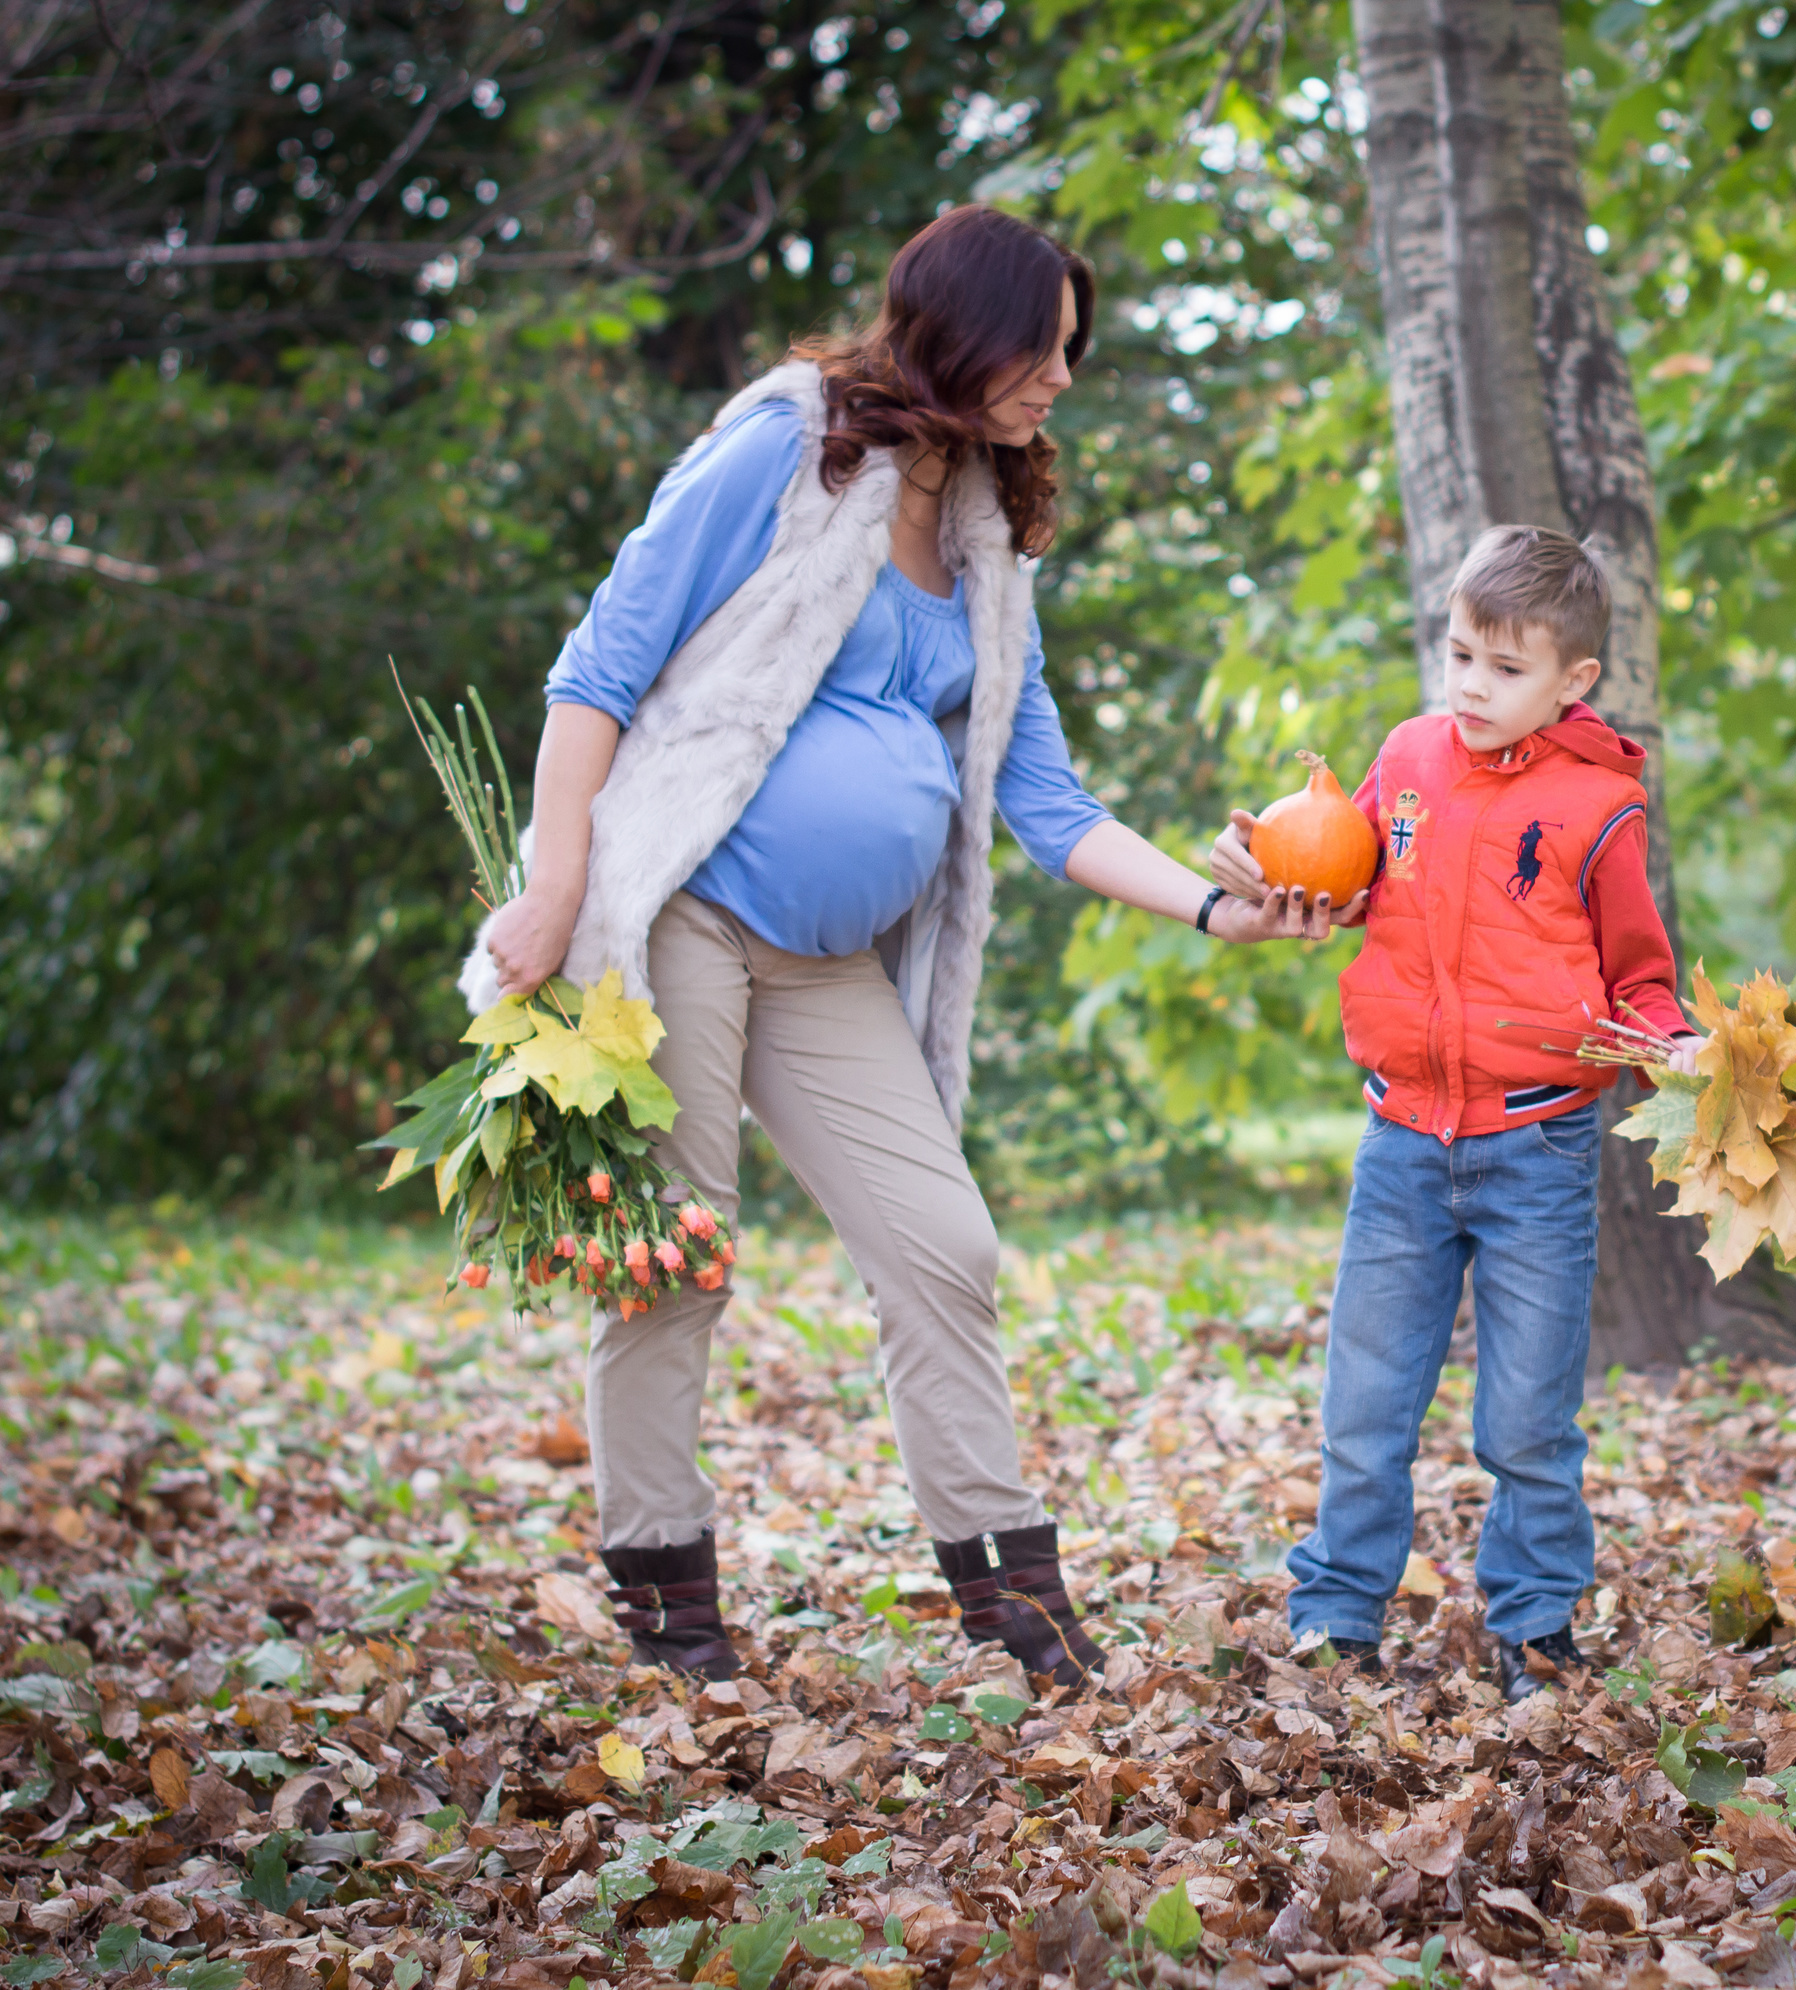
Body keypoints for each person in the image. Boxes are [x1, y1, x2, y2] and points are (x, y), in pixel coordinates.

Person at [466, 205, 1344, 1686]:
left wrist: (1220, 906)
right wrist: (556, 886)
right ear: (961, 332)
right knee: (675, 1256)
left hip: (826, 965)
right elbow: (597, 668)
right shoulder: (788, 448)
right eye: (1043, 348)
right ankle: (670, 1608)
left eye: (1072, 352)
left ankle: (1012, 1596)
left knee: (946, 1244)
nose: (1062, 378)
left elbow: (1049, 805)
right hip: (685, 907)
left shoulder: (989, 545)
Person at [1212, 526, 1704, 1701]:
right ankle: (1337, 1615)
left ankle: (1535, 1624)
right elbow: (1340, 873)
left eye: (1505, 667)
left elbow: (1638, 974)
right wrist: (1263, 868)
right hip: (1401, 1141)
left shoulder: (1600, 805)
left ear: (1573, 679)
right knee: (1364, 1401)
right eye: (1459, 656)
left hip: (1536, 1146)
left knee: (1528, 1416)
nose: (1471, 687)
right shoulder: (1407, 757)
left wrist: (1677, 1047)